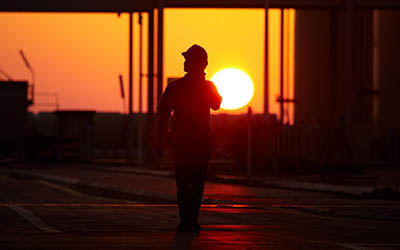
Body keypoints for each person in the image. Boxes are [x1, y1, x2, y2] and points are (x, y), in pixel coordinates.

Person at [156, 44, 222, 232]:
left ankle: (191, 218)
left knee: (196, 182)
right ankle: (187, 219)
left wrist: (203, 85)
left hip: (199, 142)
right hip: (183, 142)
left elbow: (216, 104)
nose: (185, 63)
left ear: (201, 64)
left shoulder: (206, 87)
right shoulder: (175, 87)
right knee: (185, 182)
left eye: (189, 60)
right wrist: (159, 139)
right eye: (186, 59)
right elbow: (164, 115)